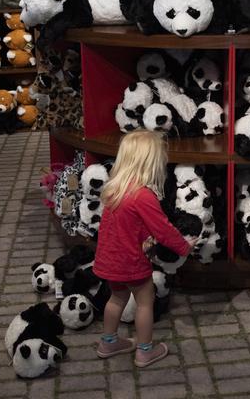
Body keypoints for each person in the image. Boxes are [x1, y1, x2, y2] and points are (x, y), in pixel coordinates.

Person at [92, 130, 195, 368]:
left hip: (109, 260)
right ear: (151, 163)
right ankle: (145, 350)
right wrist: (184, 247)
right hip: (132, 262)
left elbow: (121, 228)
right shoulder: (143, 196)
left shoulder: (112, 191)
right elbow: (164, 230)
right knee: (145, 302)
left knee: (116, 298)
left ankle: (108, 342)